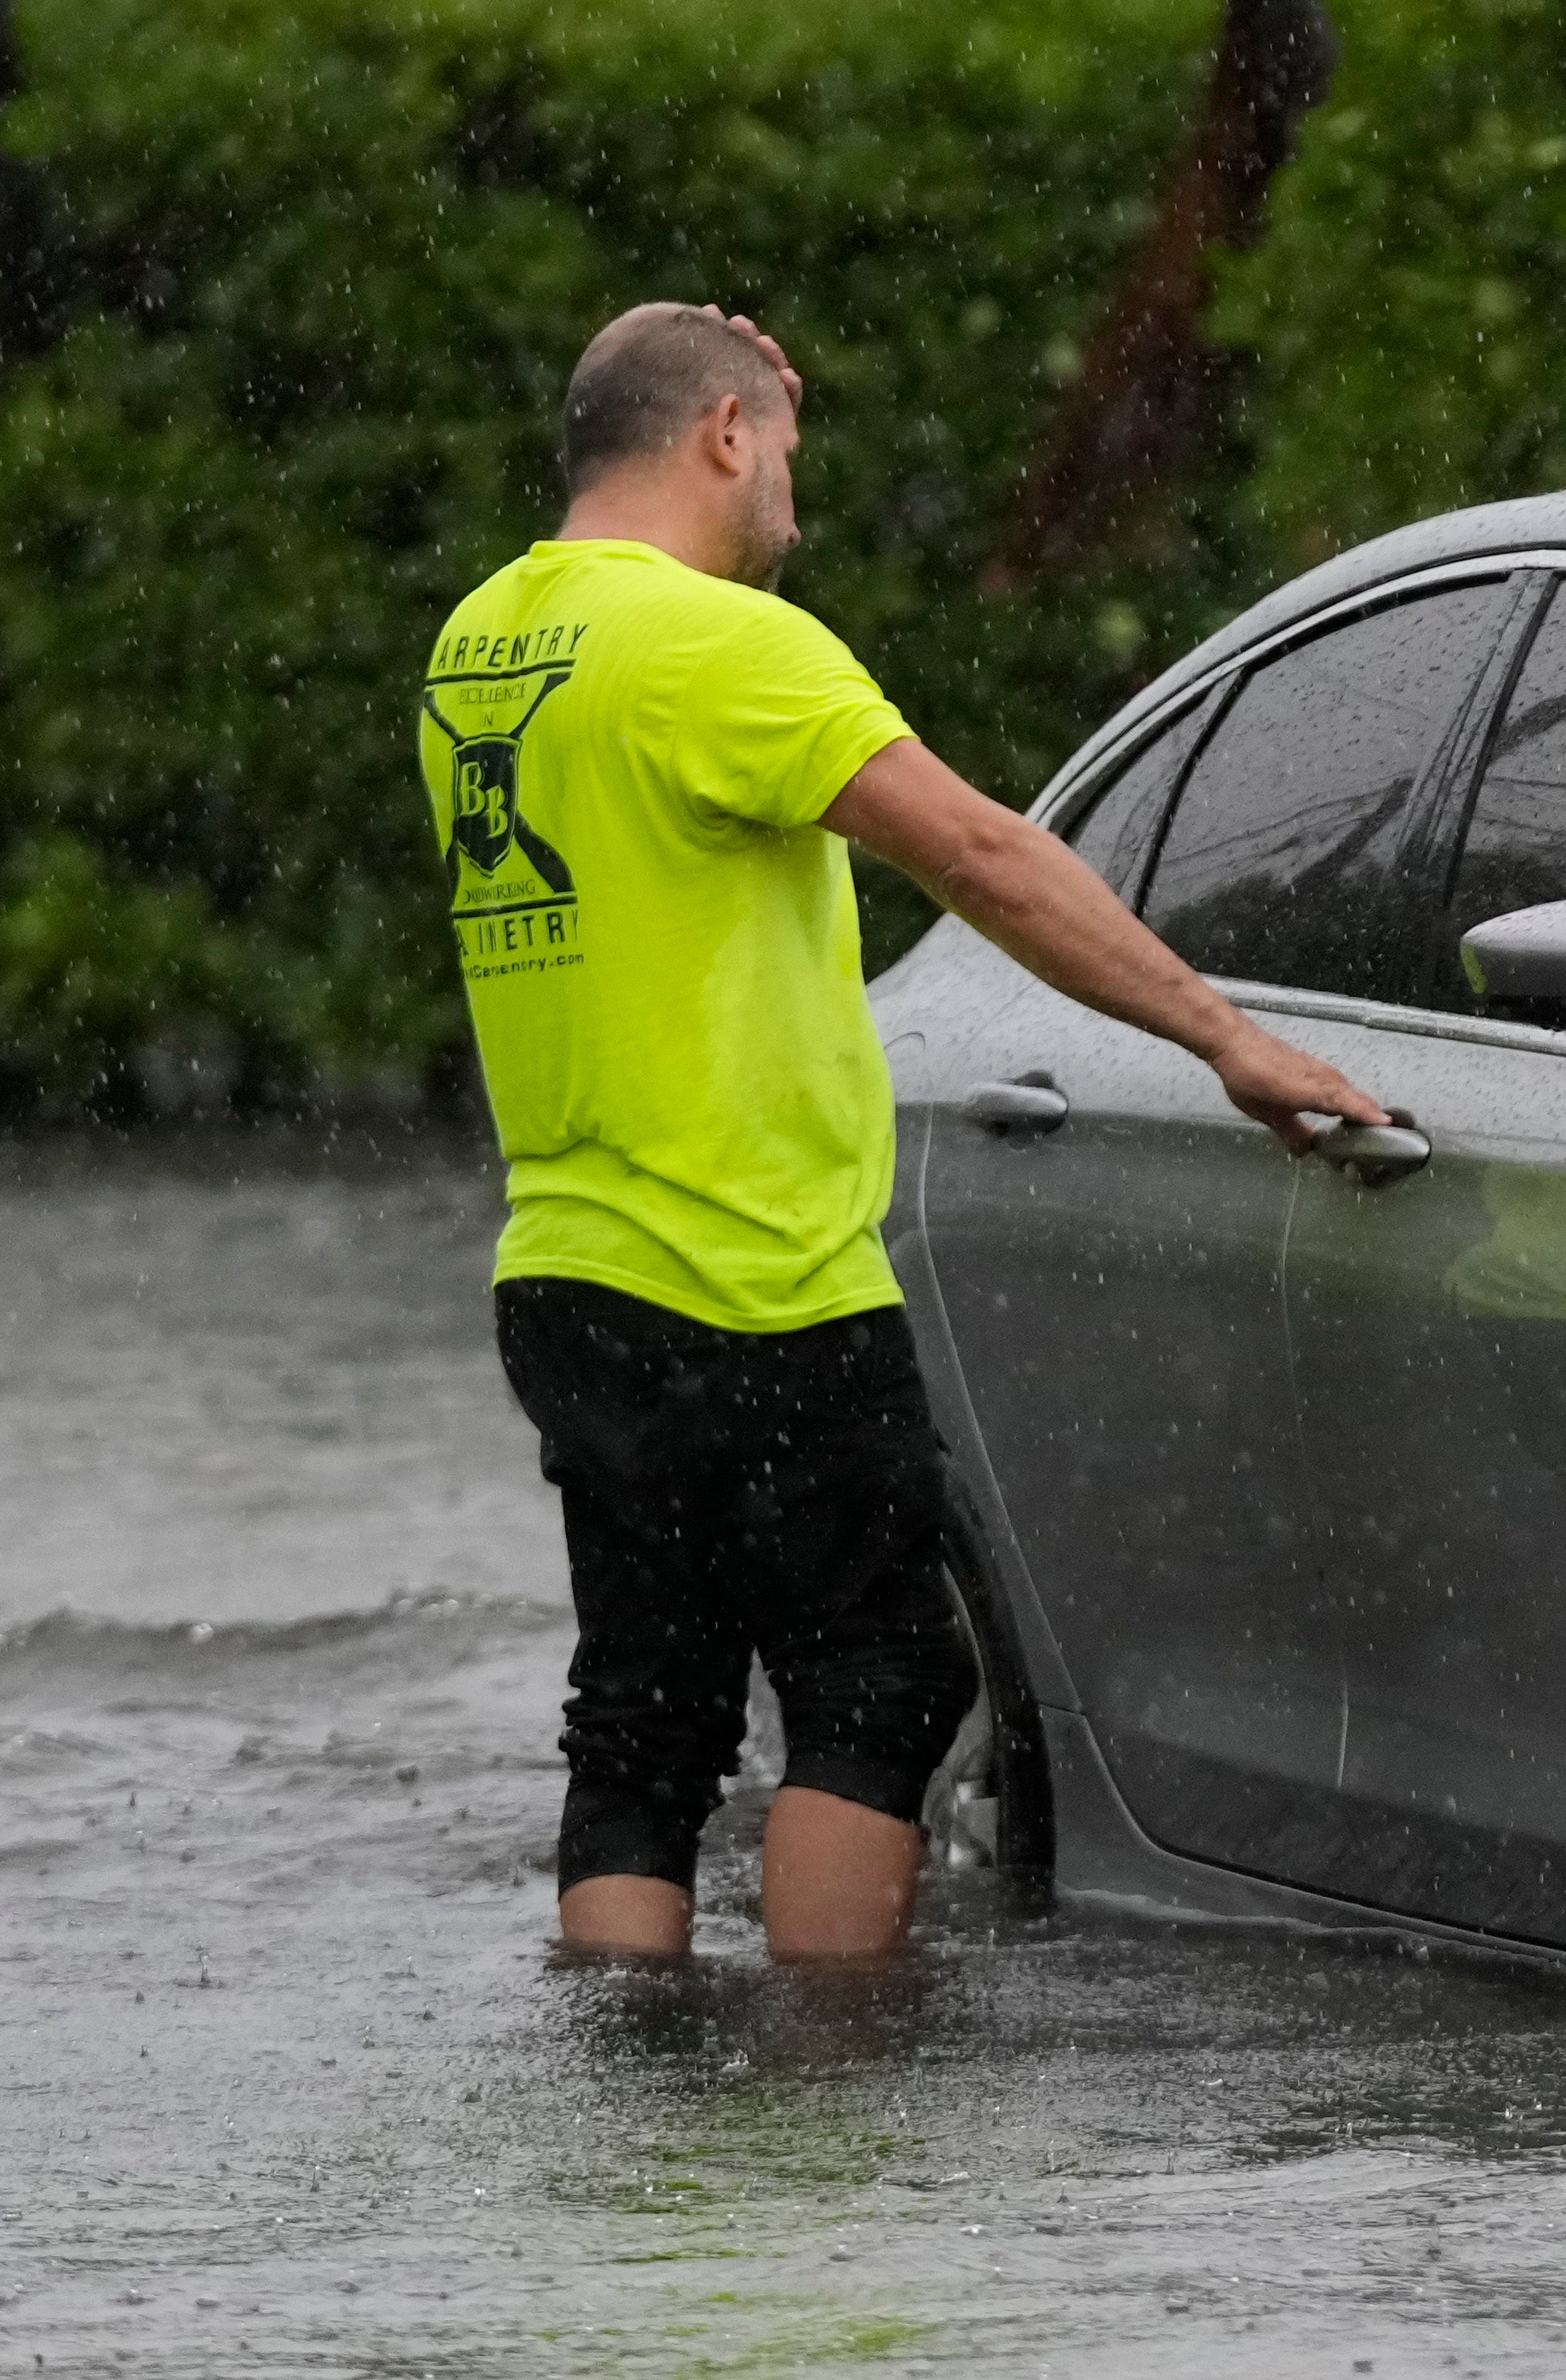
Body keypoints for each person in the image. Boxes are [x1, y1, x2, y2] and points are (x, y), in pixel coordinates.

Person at [418, 302, 1390, 1966]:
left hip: (567, 1273)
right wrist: (1226, 1037)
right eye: (781, 449)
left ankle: (630, 2079)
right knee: (881, 1674)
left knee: (645, 1712)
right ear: (721, 434)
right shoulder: (722, 648)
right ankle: (826, 2082)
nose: (792, 491)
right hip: (759, 1269)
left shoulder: (483, 647)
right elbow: (983, 857)